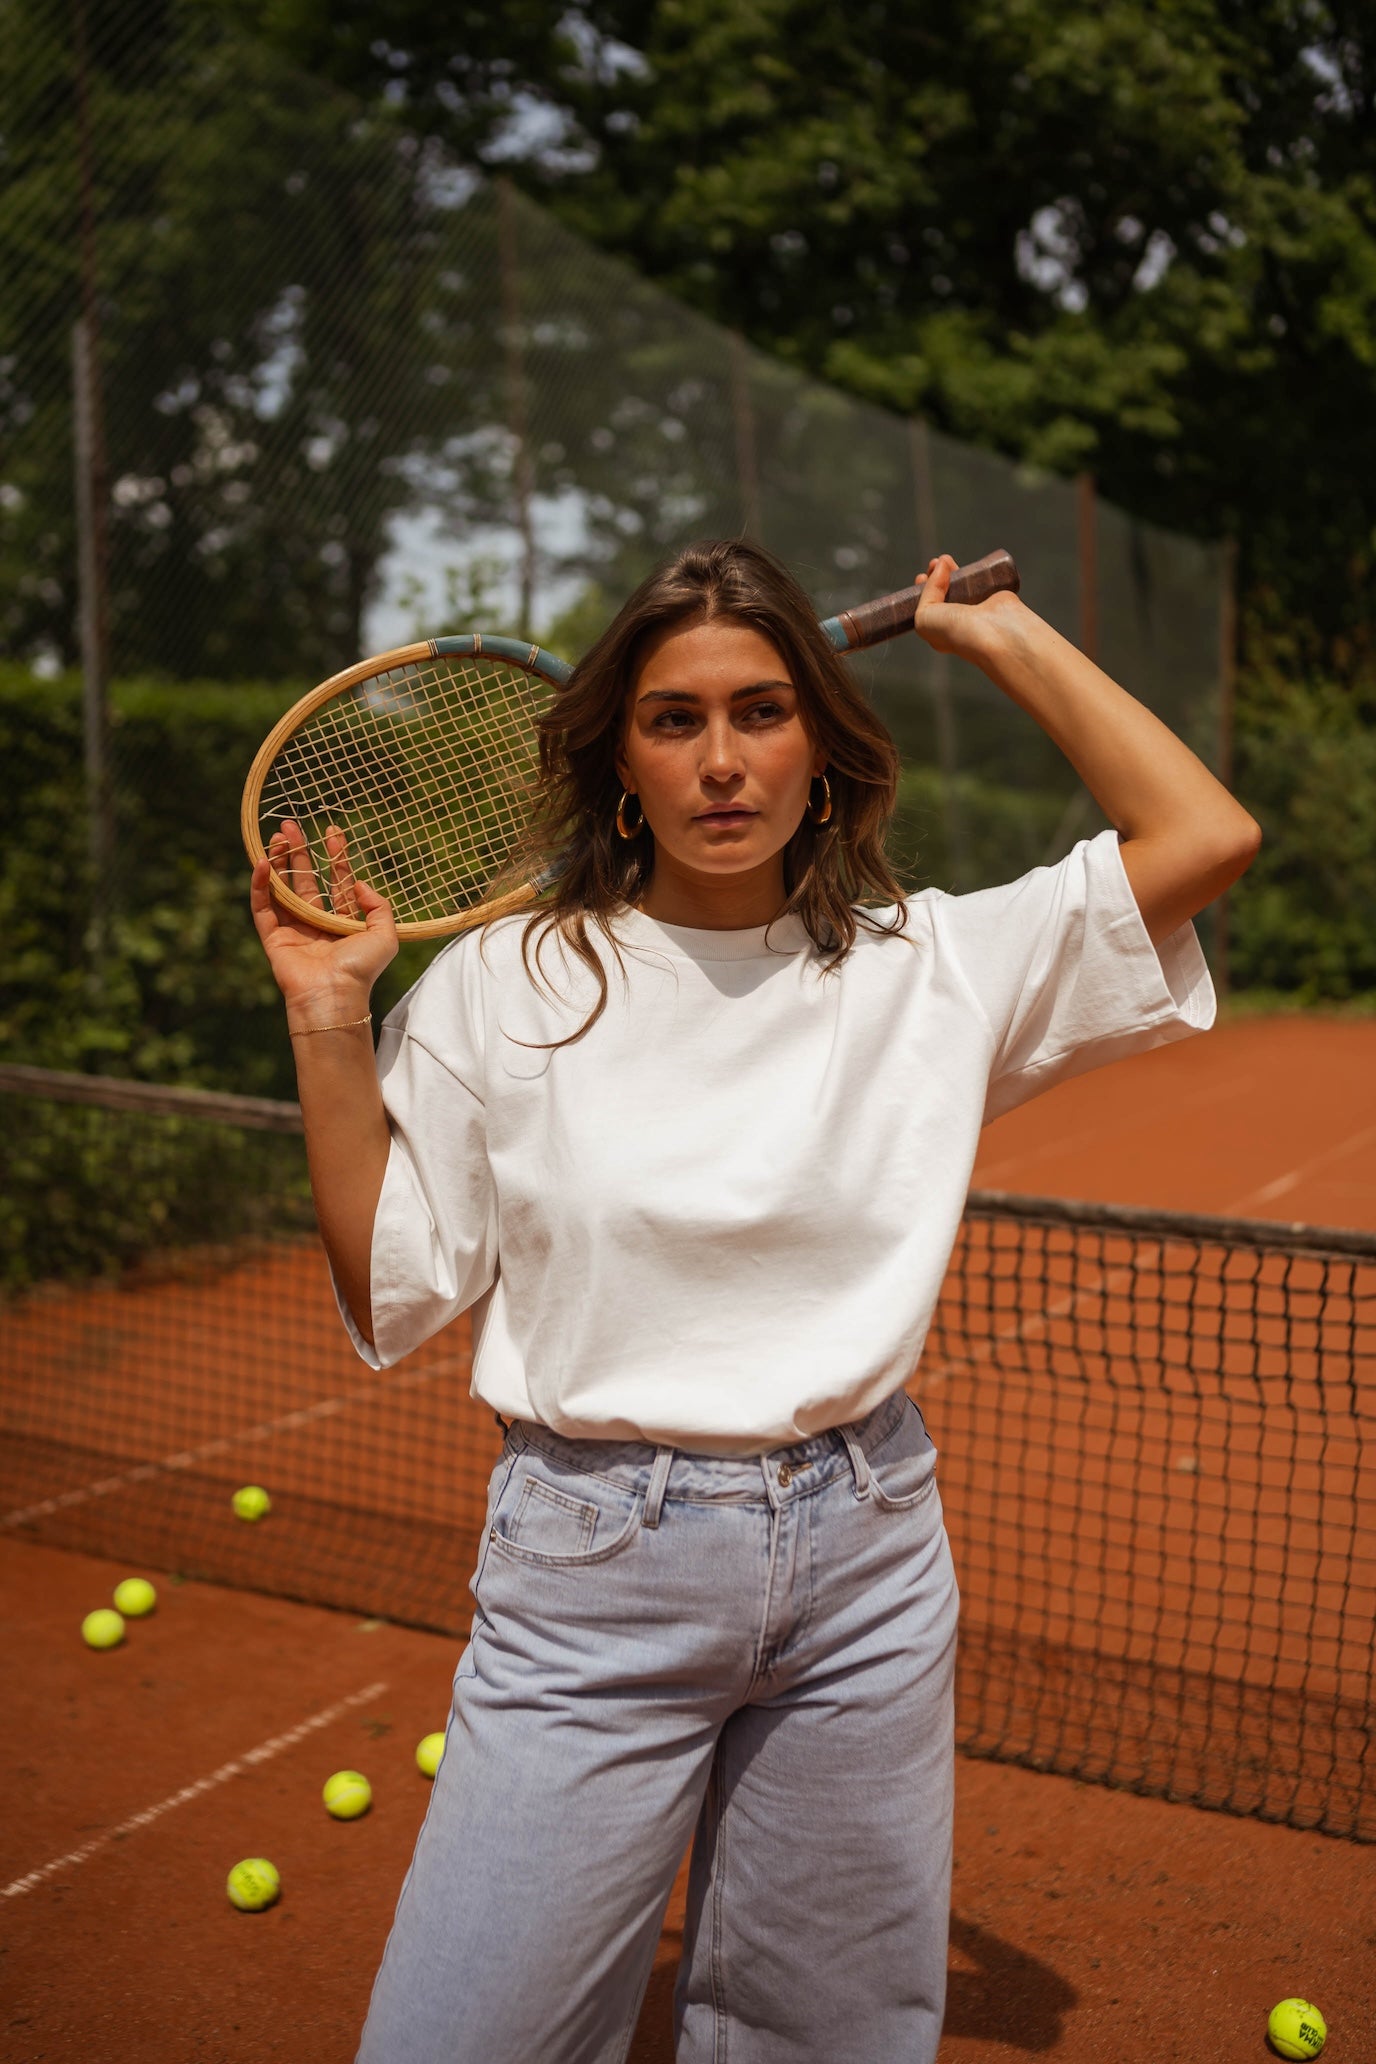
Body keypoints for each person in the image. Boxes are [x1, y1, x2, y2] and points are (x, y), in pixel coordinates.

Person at [250, 540, 1258, 2064]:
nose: (723, 761)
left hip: (870, 1567)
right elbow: (394, 1279)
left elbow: (1206, 830)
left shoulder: (930, 966)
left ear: (823, 750)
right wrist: (333, 1018)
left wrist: (996, 633)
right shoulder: (507, 978)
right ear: (620, 762)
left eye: (764, 710)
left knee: (826, 2039)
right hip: (589, 1580)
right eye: (675, 720)